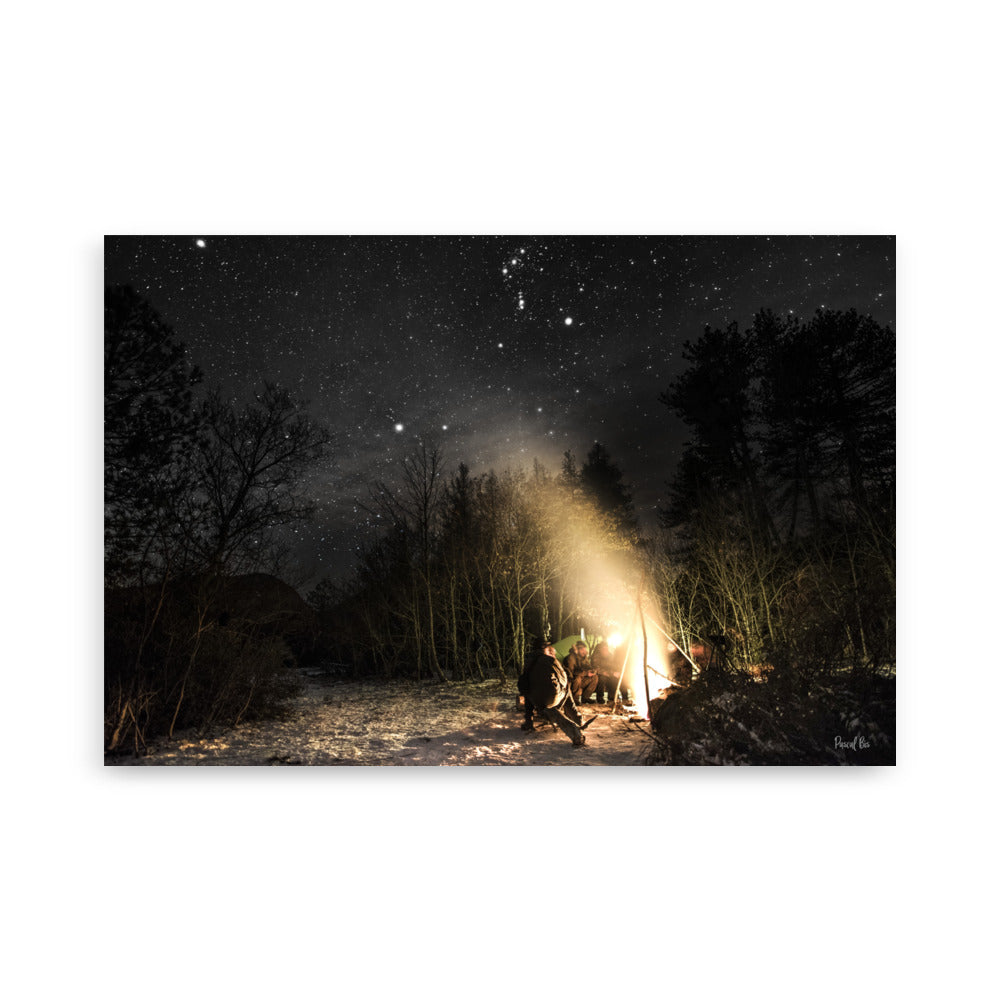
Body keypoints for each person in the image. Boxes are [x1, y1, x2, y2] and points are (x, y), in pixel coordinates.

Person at [517, 642, 585, 746]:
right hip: (552, 697)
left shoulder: (528, 662)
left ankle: (528, 721)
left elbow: (523, 684)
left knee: (528, 692)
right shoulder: (550, 660)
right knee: (567, 689)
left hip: (536, 700)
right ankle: (575, 717)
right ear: (545, 649)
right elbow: (564, 679)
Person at [563, 640, 598, 705]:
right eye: (581, 649)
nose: (584, 651)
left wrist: (592, 670)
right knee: (578, 678)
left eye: (584, 649)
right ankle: (574, 699)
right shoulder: (571, 658)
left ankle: (585, 698)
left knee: (595, 677)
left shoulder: (584, 657)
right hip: (572, 681)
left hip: (582, 678)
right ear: (577, 650)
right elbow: (572, 672)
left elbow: (588, 666)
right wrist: (586, 673)